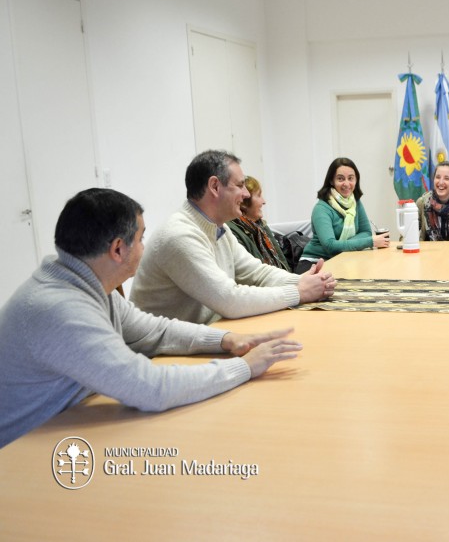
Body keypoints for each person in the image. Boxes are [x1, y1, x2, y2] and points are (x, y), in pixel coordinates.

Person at [0, 188, 303, 448]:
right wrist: (244, 368)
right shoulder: (62, 310)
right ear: (118, 249)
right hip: (20, 458)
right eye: (141, 239)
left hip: (62, 430)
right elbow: (150, 388)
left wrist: (225, 340)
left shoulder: (81, 284)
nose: (144, 248)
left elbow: (153, 330)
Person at [131, 150, 334, 324]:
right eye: (240, 185)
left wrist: (301, 281)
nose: (246, 194)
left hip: (203, 339)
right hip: (164, 358)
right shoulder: (179, 236)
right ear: (215, 187)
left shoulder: (218, 228)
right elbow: (230, 300)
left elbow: (256, 273)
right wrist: (299, 292)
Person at [296, 157, 389, 273]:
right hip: (314, 264)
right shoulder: (321, 208)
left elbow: (366, 232)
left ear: (356, 180)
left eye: (351, 178)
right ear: (331, 181)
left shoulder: (355, 202)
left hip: (342, 259)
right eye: (340, 179)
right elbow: (330, 246)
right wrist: (369, 242)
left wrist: (343, 245)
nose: (346, 184)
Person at [227, 175, 291, 271]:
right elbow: (251, 272)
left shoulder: (259, 225)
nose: (264, 201)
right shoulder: (232, 231)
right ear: (244, 202)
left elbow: (282, 262)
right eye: (259, 195)